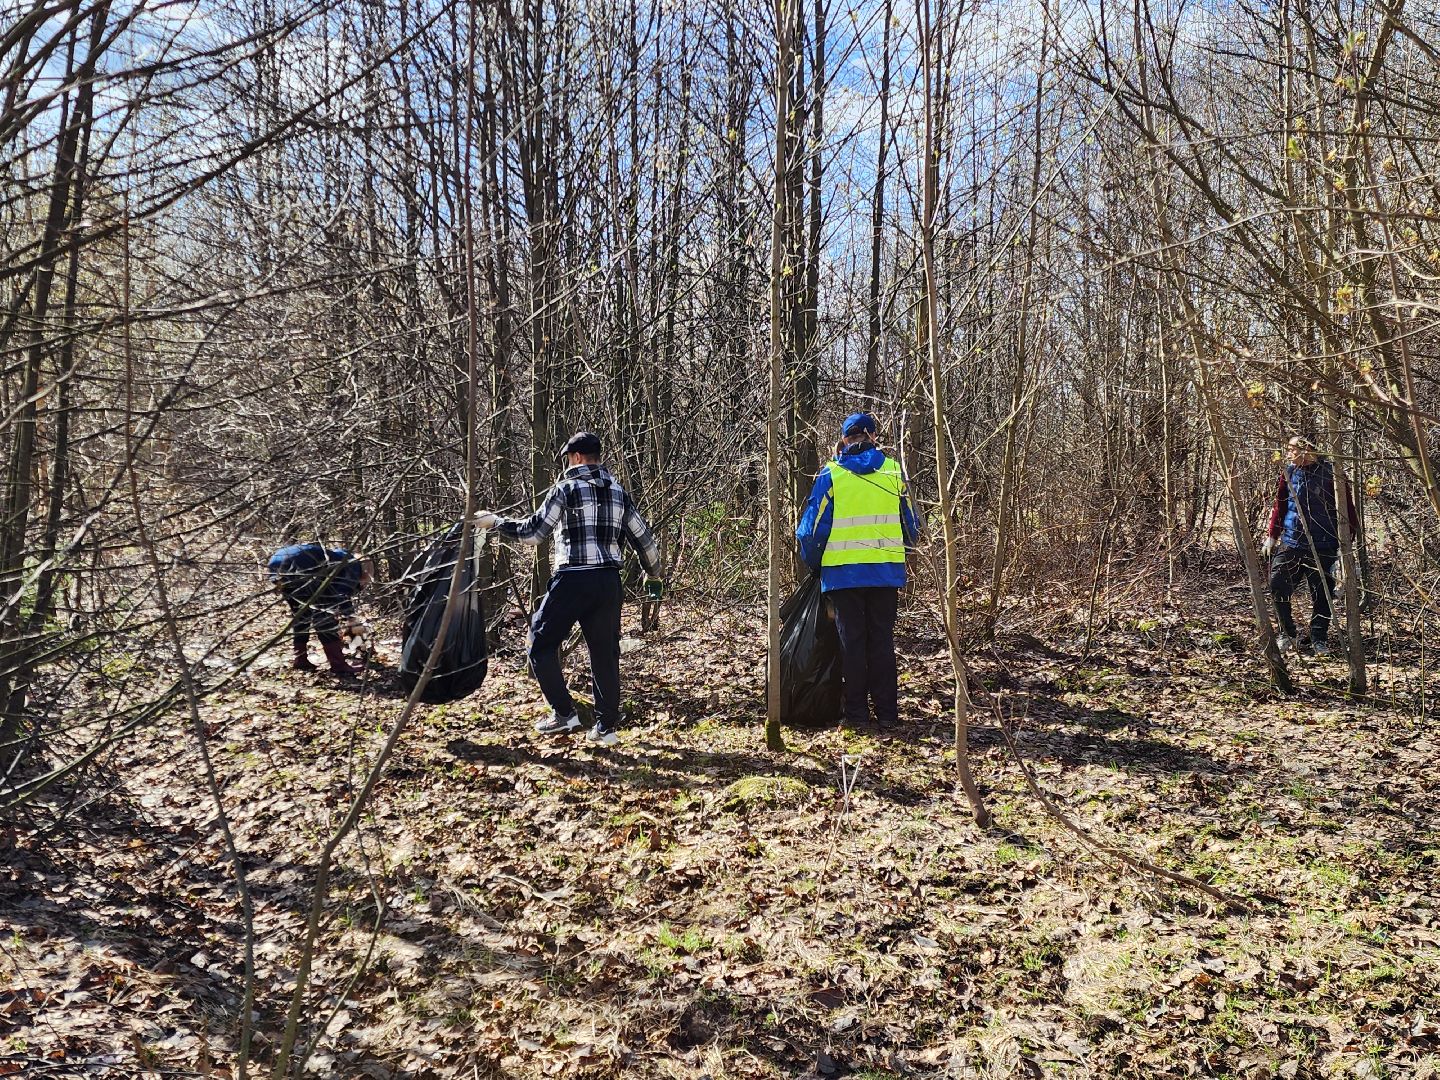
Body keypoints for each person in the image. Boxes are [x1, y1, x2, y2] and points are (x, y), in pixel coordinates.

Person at [476, 432, 663, 747]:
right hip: (608, 582)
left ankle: (564, 713)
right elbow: (644, 541)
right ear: (597, 457)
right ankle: (606, 729)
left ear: (576, 457)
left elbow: (533, 533)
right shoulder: (619, 493)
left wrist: (496, 522)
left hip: (573, 579)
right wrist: (653, 574)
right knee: (605, 655)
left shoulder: (565, 489)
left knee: (539, 644)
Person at [796, 412, 921, 729]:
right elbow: (911, 526)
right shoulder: (894, 472)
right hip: (885, 574)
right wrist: (899, 555)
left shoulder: (832, 475)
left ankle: (857, 715)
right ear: (873, 436)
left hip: (843, 576)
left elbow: (810, 532)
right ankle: (888, 714)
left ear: (844, 439)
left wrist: (816, 564)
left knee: (851, 644)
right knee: (881, 642)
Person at [1261, 436, 1357, 656]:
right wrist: (1272, 536)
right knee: (1277, 584)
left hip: (1324, 543)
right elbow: (1280, 506)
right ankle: (1287, 634)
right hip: (1292, 542)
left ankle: (1318, 639)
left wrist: (1347, 545)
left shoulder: (1332, 473)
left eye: (1292, 450)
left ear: (1307, 450)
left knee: (1322, 594)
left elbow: (1348, 509)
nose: (1288, 454)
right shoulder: (1289, 472)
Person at [267, 543, 373, 676]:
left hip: (276, 564)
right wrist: (359, 639)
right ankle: (338, 665)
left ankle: (300, 659)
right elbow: (344, 603)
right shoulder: (352, 567)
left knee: (301, 615)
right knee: (324, 617)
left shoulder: (337, 556)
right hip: (301, 566)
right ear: (365, 573)